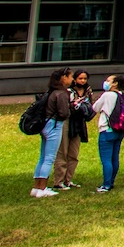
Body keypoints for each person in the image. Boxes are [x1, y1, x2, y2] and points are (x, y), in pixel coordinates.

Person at [31, 67, 73, 198]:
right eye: (70, 76)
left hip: (45, 124)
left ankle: (36, 187)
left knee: (43, 157)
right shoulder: (62, 93)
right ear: (64, 78)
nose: (72, 79)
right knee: (49, 158)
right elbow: (64, 113)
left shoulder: (51, 92)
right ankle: (42, 188)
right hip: (55, 125)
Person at [51, 68, 94, 190]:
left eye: (85, 78)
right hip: (67, 121)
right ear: (74, 79)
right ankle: (58, 181)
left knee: (73, 153)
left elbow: (91, 106)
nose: (82, 81)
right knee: (62, 151)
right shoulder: (68, 91)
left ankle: (68, 180)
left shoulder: (88, 91)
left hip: (79, 122)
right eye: (80, 78)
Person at [91, 73, 124, 193]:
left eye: (109, 81)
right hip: (119, 130)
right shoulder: (122, 96)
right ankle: (111, 181)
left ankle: (106, 184)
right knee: (114, 157)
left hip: (106, 130)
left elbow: (95, 108)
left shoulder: (107, 95)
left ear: (115, 83)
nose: (106, 82)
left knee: (106, 159)